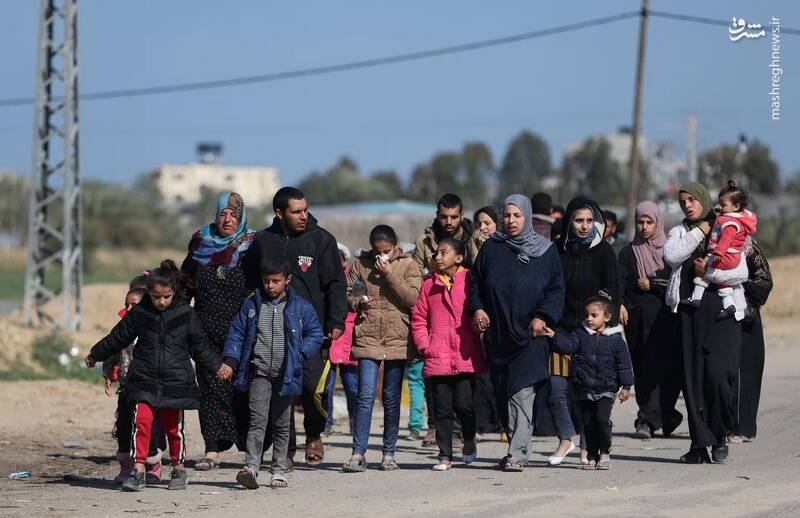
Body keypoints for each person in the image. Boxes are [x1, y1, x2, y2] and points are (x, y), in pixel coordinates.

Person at [85, 260, 229, 492]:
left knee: (173, 428)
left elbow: (200, 346)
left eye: (166, 297)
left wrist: (217, 366)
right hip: (144, 377)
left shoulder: (186, 313)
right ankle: (138, 469)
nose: (161, 302)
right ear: (149, 293)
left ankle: (178, 468)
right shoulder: (140, 312)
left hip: (176, 380)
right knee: (141, 423)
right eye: (155, 297)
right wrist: (95, 354)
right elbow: (118, 336)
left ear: (174, 292)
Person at [244, 186, 347, 466]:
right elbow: (250, 284)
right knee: (282, 390)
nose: (304, 216)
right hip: (272, 330)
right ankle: (285, 451)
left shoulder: (322, 240)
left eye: (305, 210)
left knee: (313, 387)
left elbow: (336, 285)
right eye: (297, 211)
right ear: (280, 213)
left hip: (311, 331)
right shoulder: (262, 241)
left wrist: (336, 321)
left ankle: (314, 433)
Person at [469, 194, 564, 472]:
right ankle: (515, 443)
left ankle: (517, 453)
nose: (511, 221)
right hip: (499, 335)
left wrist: (542, 316)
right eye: (508, 216)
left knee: (521, 392)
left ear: (527, 217)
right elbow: (475, 284)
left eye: (517, 216)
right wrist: (478, 309)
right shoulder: (492, 248)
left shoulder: (545, 251)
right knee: (502, 394)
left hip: (530, 335)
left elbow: (556, 289)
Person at [222, 257, 324, 490]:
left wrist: (299, 353)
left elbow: (315, 334)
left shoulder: (300, 307)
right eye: (266, 281)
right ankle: (251, 467)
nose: (270, 286)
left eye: (275, 281)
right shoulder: (251, 304)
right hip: (259, 372)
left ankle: (278, 469)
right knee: (257, 421)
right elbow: (237, 333)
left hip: (287, 374)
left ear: (288, 280)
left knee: (281, 423)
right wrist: (231, 360)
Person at [664, 182, 741, 464]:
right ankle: (699, 444)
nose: (687, 205)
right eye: (683, 201)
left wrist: (708, 271)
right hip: (688, 312)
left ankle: (719, 436)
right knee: (692, 380)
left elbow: (741, 271)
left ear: (704, 200)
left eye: (692, 200)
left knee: (717, 376)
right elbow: (671, 257)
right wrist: (700, 230)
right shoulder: (680, 231)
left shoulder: (727, 226)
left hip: (721, 312)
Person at [181, 192, 255, 471]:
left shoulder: (251, 246)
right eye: (223, 213)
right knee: (210, 390)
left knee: (243, 390)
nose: (227, 219)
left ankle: (251, 449)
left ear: (241, 217)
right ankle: (212, 450)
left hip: (243, 332)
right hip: (204, 332)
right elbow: (184, 286)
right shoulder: (200, 243)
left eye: (233, 214)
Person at [342, 225, 421, 472]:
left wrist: (390, 274)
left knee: (391, 396)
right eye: (377, 252)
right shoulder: (360, 265)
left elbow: (412, 298)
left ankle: (389, 453)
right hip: (368, 335)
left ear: (395, 247)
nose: (381, 256)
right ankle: (358, 453)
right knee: (365, 395)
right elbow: (350, 293)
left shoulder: (408, 265)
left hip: (398, 336)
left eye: (386, 251)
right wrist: (358, 302)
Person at [549, 196, 619, 465]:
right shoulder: (558, 251)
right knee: (556, 388)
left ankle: (588, 447)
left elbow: (613, 290)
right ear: (569, 222)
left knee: (588, 394)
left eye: (590, 221)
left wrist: (605, 309)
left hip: (591, 332)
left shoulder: (603, 251)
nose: (584, 226)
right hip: (561, 328)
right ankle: (566, 437)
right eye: (579, 220)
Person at [412, 238, 485, 470]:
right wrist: (425, 346)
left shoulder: (471, 281)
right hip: (438, 355)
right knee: (441, 409)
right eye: (436, 253)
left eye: (444, 252)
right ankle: (444, 455)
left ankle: (469, 439)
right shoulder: (429, 284)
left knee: (465, 406)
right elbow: (418, 319)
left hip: (465, 355)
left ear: (459, 258)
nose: (438, 257)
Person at [411, 193, 476, 447]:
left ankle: (462, 432)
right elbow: (416, 275)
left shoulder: (472, 239)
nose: (448, 221)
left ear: (462, 216)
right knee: (435, 381)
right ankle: (436, 427)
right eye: (444, 216)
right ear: (437, 215)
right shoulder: (425, 240)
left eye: (454, 217)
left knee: (463, 391)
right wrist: (424, 342)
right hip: (434, 311)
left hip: (464, 318)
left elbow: (479, 271)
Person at [544, 295, 634, 470]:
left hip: (607, 388)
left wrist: (626, 386)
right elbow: (568, 346)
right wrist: (554, 336)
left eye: (594, 315)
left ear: (607, 317)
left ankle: (605, 453)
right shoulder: (580, 334)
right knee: (588, 423)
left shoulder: (615, 340)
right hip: (584, 389)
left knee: (601, 421)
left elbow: (624, 365)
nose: (589, 319)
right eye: (587, 315)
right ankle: (591, 456)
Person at [618, 201, 683, 438]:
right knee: (643, 367)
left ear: (658, 223)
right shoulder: (628, 252)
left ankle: (659, 415)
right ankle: (650, 417)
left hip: (665, 319)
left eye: (649, 222)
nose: (644, 227)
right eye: (640, 222)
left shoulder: (670, 251)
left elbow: (677, 281)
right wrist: (620, 304)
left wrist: (653, 283)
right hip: (636, 321)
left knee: (667, 369)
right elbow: (620, 283)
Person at [103, 287, 165, 484]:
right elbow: (112, 348)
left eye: (134, 305)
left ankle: (152, 464)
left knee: (147, 428)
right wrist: (108, 371)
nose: (129, 309)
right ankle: (126, 466)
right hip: (126, 388)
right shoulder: (122, 328)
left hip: (148, 387)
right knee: (123, 427)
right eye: (126, 305)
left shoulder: (155, 328)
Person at [684, 180, 758, 321]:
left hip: (725, 255)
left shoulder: (729, 221)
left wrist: (719, 252)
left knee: (703, 269)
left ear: (736, 206)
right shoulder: (737, 220)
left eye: (723, 206)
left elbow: (726, 238)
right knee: (722, 282)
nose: (721, 209)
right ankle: (729, 305)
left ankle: (696, 298)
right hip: (731, 257)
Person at [731, 240, 772, 442]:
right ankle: (723, 426)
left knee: (748, 373)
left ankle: (742, 427)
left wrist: (740, 283)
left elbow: (764, 286)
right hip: (716, 318)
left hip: (747, 322)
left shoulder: (750, 249)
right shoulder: (711, 246)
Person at [324, 244, 359, 435]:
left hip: (347, 338)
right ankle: (326, 422)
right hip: (329, 338)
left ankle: (355, 420)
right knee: (326, 386)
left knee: (351, 384)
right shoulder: (323, 279)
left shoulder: (354, 281)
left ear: (344, 261)